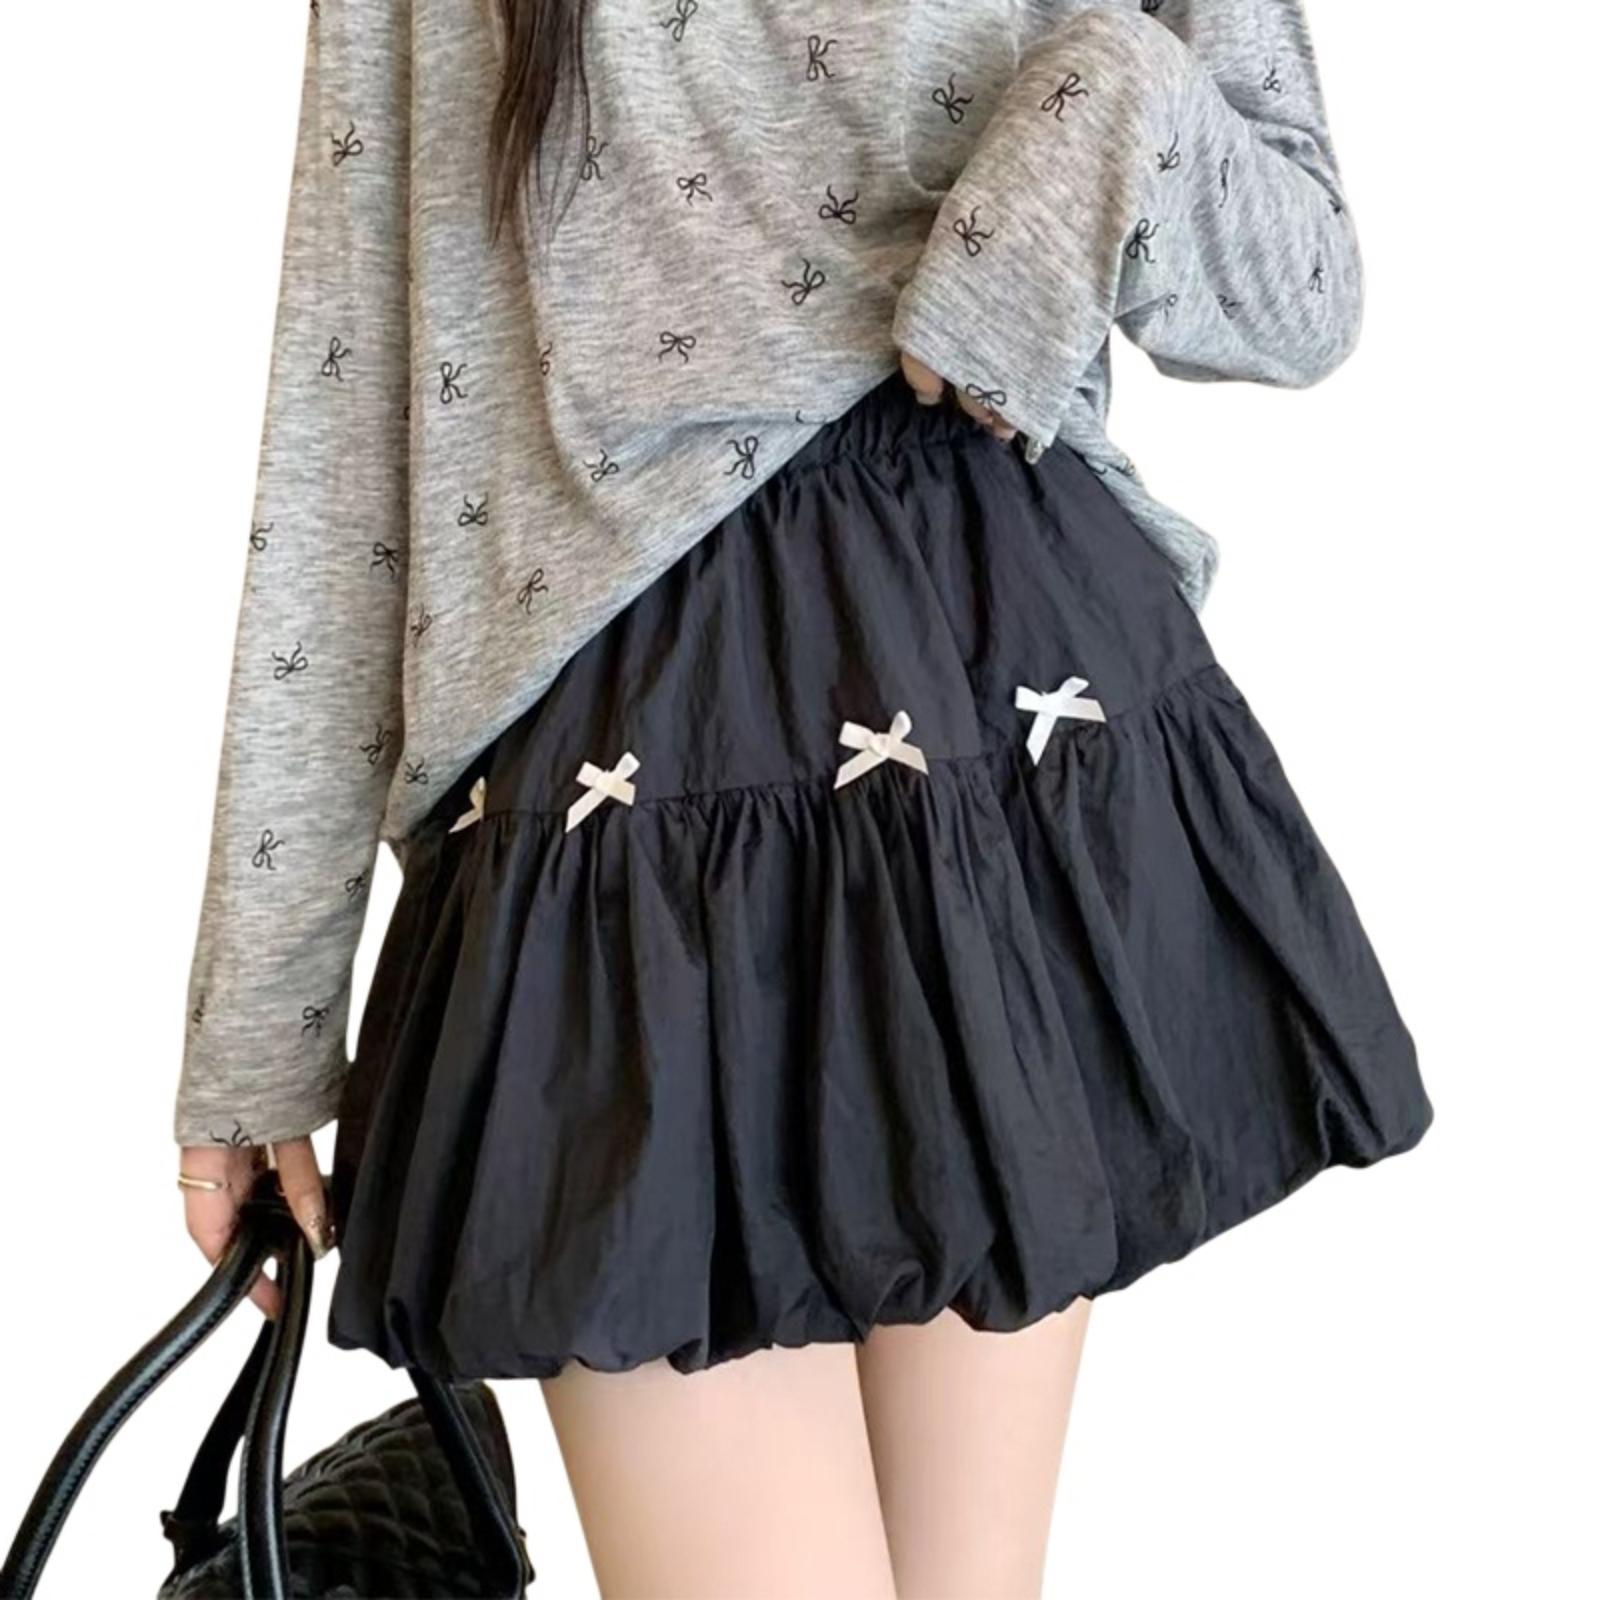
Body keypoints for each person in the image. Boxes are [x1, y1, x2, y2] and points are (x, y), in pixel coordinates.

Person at [173, 2, 1432, 1593]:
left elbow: (1301, 286)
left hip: (987, 722)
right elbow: (355, 375)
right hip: (640, 797)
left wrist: (1103, 102)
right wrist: (261, 1009)